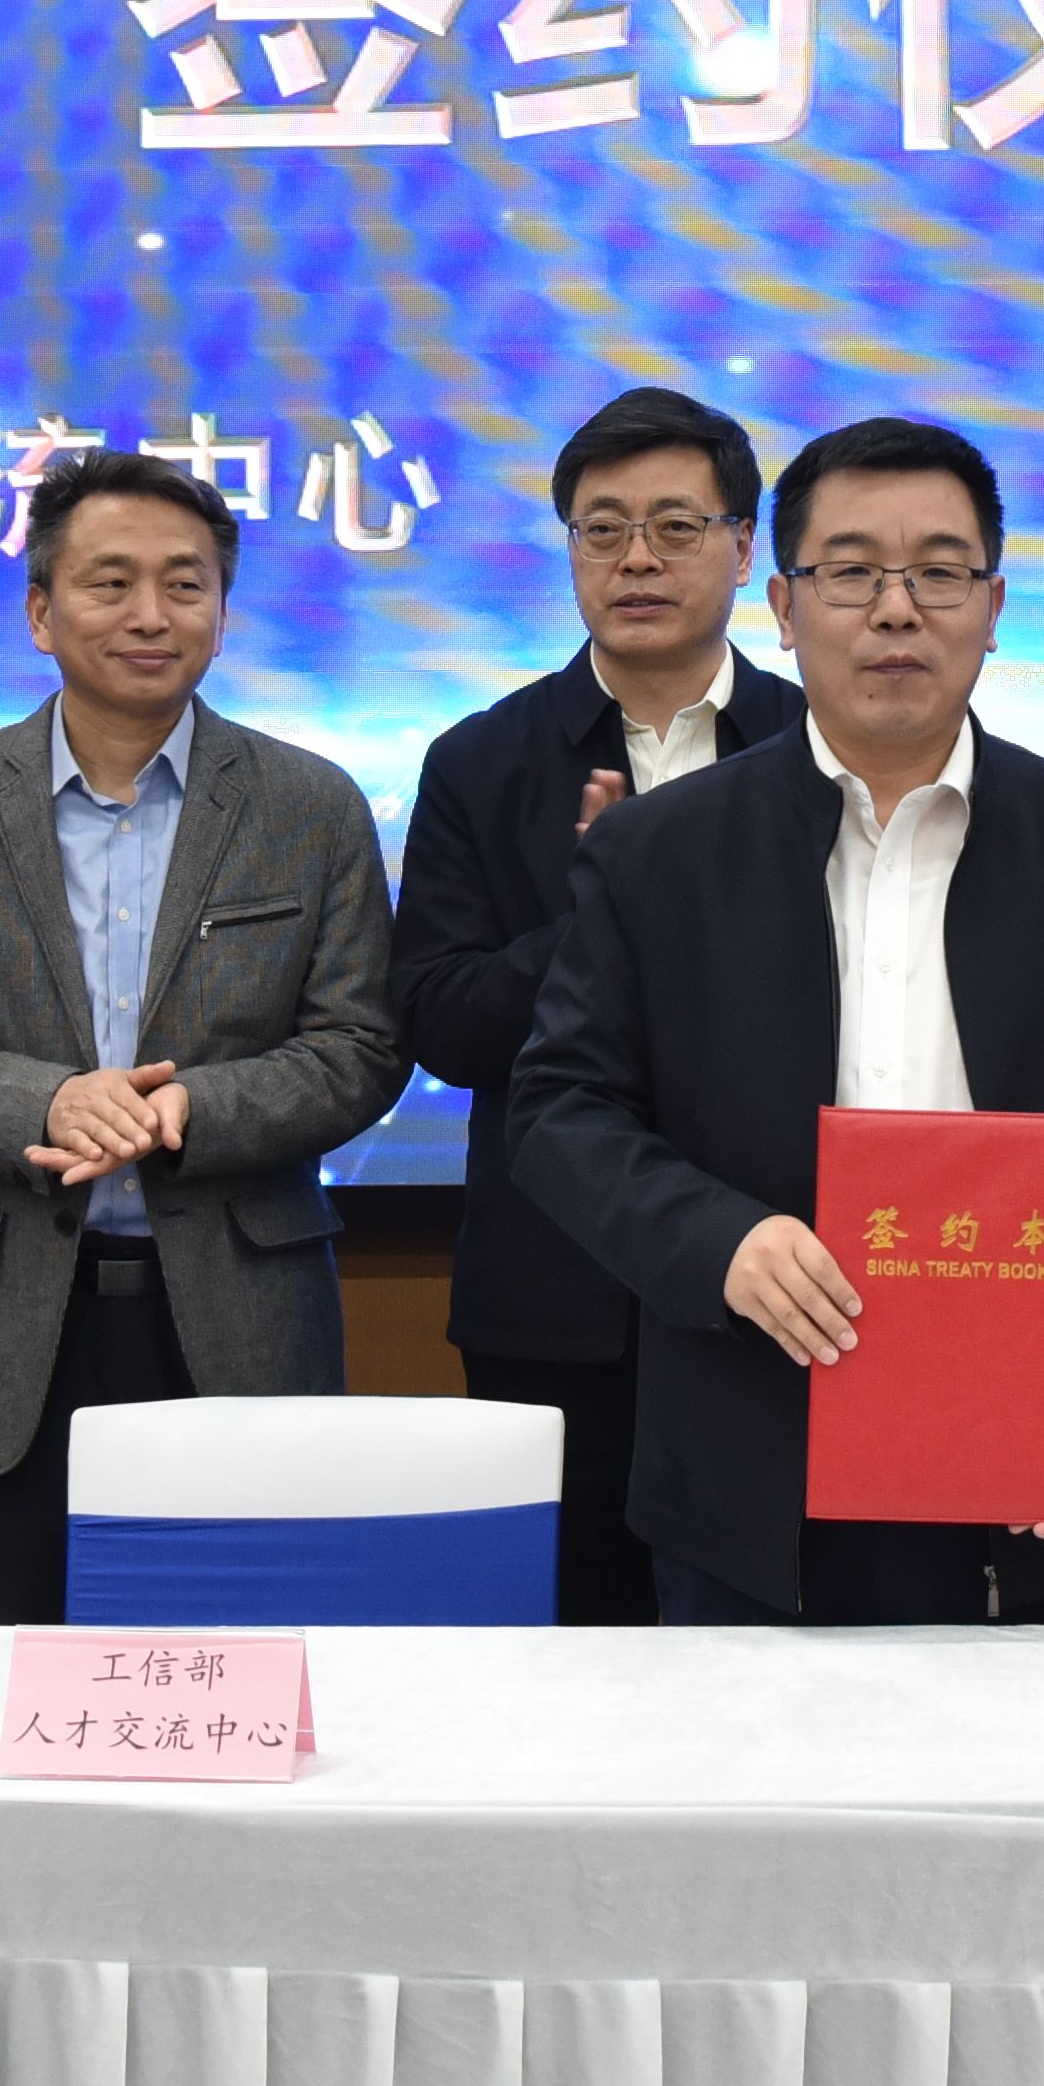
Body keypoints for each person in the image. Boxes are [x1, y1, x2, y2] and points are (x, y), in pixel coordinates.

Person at [512, 415, 1044, 1625]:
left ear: (993, 605)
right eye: (850, 571)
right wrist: (717, 1239)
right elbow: (559, 1111)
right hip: (747, 1453)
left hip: (1032, 1454)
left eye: (938, 571)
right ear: (781, 603)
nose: (894, 610)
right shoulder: (659, 852)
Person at [0, 448, 410, 1625]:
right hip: (3, 1323)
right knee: (7, 1673)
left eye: (185, 584)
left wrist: (198, 1108)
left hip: (241, 1312)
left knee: (238, 1671)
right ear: (40, 611)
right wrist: (43, 1101)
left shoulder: (310, 805)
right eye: (110, 581)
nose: (150, 613)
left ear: (223, 614)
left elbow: (360, 1045)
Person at [390, 384, 804, 1624]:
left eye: (676, 525)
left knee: (770, 1649)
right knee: (569, 1655)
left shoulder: (816, 743)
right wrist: (604, 901)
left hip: (782, 1276)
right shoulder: (482, 759)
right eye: (602, 527)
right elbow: (442, 1020)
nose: (637, 557)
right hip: (555, 1294)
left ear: (743, 547)